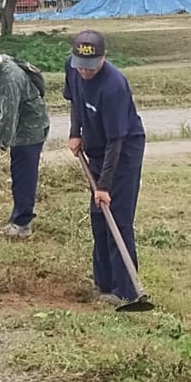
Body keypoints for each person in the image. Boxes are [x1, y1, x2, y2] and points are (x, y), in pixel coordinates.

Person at [63, 31, 151, 311]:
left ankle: (125, 292)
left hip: (123, 152)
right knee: (97, 218)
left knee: (118, 218)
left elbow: (117, 141)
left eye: (91, 67)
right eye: (81, 66)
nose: (85, 72)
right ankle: (103, 284)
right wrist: (74, 132)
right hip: (96, 147)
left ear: (103, 59)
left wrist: (103, 186)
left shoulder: (114, 86)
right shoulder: (73, 68)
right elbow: (75, 100)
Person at [0, 44, 50, 239]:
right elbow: (6, 111)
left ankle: (22, 225)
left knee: (23, 177)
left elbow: (9, 117)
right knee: (19, 174)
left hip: (30, 130)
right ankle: (17, 219)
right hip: (21, 126)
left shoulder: (10, 79)